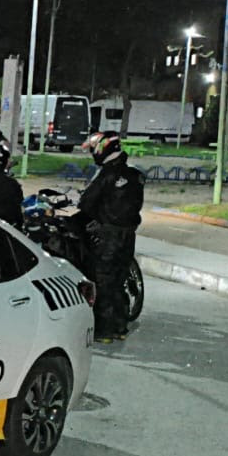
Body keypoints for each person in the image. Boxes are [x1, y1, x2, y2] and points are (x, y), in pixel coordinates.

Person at [78, 131, 145, 342]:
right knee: (119, 279)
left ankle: (104, 331)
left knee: (103, 282)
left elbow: (86, 202)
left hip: (108, 237)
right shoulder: (134, 175)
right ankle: (120, 327)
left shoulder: (107, 174)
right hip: (128, 236)